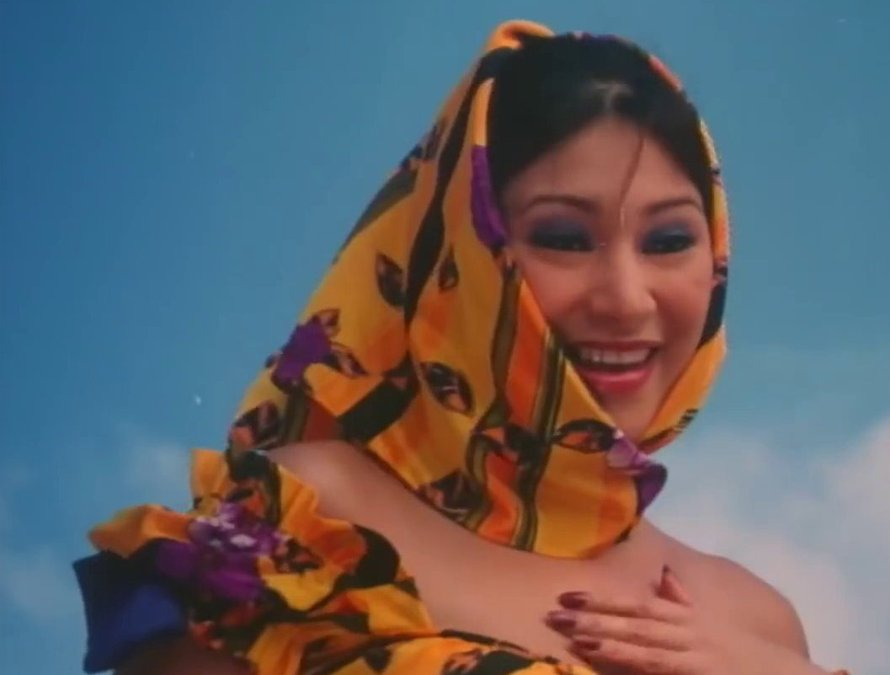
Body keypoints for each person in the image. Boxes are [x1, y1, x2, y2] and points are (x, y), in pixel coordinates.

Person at [73, 20, 847, 675]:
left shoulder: (754, 620)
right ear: (461, 259)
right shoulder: (305, 523)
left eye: (670, 240)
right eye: (563, 237)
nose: (627, 297)